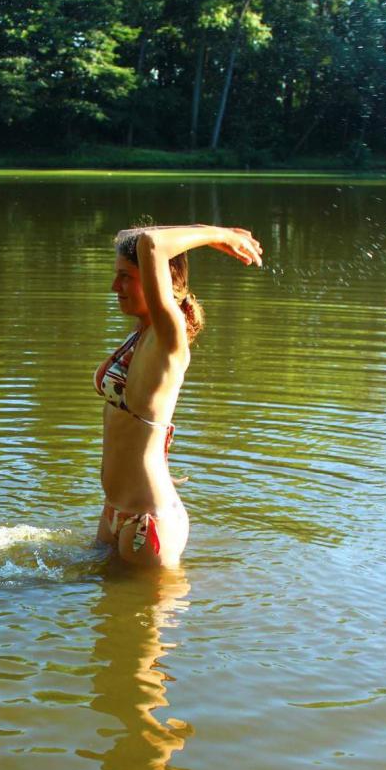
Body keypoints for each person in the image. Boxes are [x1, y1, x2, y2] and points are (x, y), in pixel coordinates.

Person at [94, 224, 263, 567]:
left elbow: (151, 243)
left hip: (148, 523)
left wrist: (218, 235)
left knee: (146, 618)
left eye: (125, 276)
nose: (115, 287)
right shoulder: (141, 332)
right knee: (104, 617)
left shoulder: (168, 335)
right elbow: (134, 235)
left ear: (160, 277)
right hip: (115, 510)